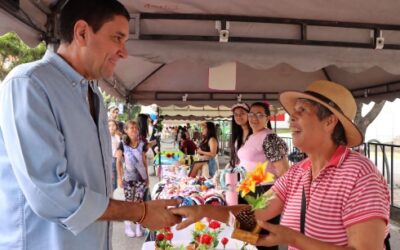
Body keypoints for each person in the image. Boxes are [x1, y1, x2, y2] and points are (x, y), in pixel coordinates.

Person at [0, 1, 181, 249]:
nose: (124, 52)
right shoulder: (28, 84)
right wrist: (139, 211)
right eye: (117, 38)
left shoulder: (93, 94)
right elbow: (50, 196)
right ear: (82, 32)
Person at [171, 80, 390, 250]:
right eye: (292, 112)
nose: (290, 118)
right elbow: (254, 214)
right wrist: (204, 211)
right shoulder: (298, 172)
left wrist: (293, 238)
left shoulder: (361, 175)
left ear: (329, 121)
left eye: (301, 111)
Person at [236, 102, 289, 250]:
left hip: (263, 192)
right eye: (252, 114)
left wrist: (273, 198)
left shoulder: (269, 138)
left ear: (268, 117)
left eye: (259, 114)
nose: (254, 118)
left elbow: (284, 172)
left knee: (264, 239)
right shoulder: (252, 136)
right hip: (248, 190)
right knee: (248, 238)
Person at [116, 121, 149, 238]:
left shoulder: (142, 144)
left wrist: (147, 178)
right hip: (128, 179)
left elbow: (144, 161)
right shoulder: (122, 144)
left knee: (139, 203)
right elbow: (118, 162)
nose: (134, 130)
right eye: (131, 128)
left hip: (141, 178)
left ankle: (139, 226)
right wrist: (119, 178)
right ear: (126, 130)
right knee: (129, 203)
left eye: (136, 128)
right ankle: (128, 226)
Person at [229, 102, 253, 168]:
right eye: (236, 114)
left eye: (242, 113)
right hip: (240, 171)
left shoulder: (255, 133)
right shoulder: (237, 135)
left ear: (249, 115)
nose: (238, 116)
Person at [108, 119, 121, 190]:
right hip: (111, 160)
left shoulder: (117, 136)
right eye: (109, 126)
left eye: (113, 125)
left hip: (117, 160)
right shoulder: (106, 137)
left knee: (114, 184)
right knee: (112, 183)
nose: (111, 127)